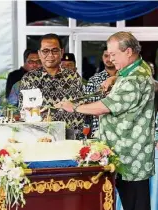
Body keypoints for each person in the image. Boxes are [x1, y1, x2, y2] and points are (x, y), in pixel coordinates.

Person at [55, 31, 155, 210]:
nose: (110, 59)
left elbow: (105, 106)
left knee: (136, 205)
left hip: (130, 156)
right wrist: (115, 78)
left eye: (114, 54)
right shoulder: (136, 69)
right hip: (125, 153)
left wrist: (74, 107)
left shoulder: (135, 78)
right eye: (108, 54)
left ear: (128, 52)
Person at [19, 33, 84, 137]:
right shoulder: (29, 79)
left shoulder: (73, 77)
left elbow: (80, 108)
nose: (50, 55)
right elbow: (25, 112)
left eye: (54, 51)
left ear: (61, 52)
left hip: (70, 137)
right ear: (39, 53)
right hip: (40, 137)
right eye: (45, 51)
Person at [84, 47, 117, 136]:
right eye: (106, 56)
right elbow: (88, 105)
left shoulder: (125, 78)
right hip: (100, 128)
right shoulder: (94, 80)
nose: (109, 59)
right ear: (102, 58)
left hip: (123, 128)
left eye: (112, 55)